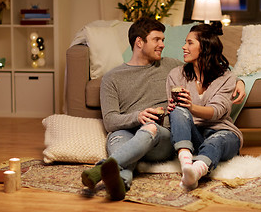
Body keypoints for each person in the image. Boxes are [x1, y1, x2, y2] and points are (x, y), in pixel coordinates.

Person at [81, 17, 245, 200]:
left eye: (163, 40)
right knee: (120, 142)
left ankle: (100, 168)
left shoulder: (170, 65)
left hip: (160, 135)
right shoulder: (112, 78)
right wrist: (138, 116)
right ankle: (120, 184)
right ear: (139, 42)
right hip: (125, 132)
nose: (162, 45)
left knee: (149, 129)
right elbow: (111, 121)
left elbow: (211, 66)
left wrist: (239, 81)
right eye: (157, 40)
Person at [166, 23, 243, 190]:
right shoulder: (176, 75)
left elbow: (217, 112)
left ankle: (195, 171)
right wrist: (173, 108)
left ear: (205, 46)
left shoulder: (226, 77)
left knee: (216, 141)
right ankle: (187, 164)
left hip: (222, 132)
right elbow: (176, 113)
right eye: (185, 42)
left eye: (190, 43)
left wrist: (191, 106)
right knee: (178, 110)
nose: (184, 47)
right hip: (194, 135)